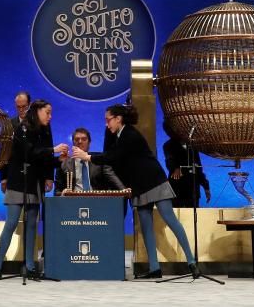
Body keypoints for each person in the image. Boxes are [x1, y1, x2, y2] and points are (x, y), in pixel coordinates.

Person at [72, 104, 199, 279]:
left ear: (118, 119)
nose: (106, 124)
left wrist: (88, 157)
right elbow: (112, 155)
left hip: (154, 181)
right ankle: (154, 268)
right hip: (139, 185)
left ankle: (192, 262)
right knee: (146, 226)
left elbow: (113, 156)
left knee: (170, 219)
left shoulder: (129, 134)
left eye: (108, 120)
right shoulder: (118, 135)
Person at [0, 99, 68, 280]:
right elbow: (29, 153)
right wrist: (53, 149)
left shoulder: (44, 129)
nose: (50, 116)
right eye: (47, 112)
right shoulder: (22, 128)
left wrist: (58, 160)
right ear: (37, 111)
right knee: (11, 223)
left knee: (32, 225)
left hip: (35, 182)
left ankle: (30, 267)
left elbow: (42, 159)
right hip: (19, 181)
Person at [55, 127, 126, 195]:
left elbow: (113, 179)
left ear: (89, 142)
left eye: (84, 139)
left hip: (97, 199)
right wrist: (63, 193)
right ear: (73, 143)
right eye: (77, 139)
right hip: (73, 200)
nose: (80, 141)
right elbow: (56, 192)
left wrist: (125, 191)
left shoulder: (100, 160)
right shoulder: (64, 163)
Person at [163, 123, 211, 208]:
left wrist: (206, 186)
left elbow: (198, 168)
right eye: (168, 132)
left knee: (193, 214)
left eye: (171, 131)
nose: (170, 133)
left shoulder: (192, 145)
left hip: (192, 189)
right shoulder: (168, 145)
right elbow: (169, 159)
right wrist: (175, 168)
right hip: (177, 189)